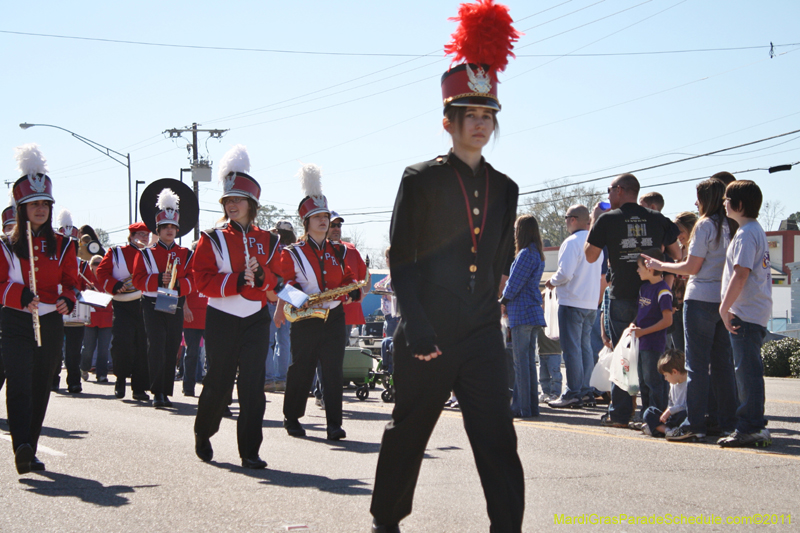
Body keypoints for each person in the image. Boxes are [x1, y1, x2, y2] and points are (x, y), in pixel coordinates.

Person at [371, 3, 524, 530]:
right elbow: (402, 257)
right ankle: (386, 519)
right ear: (448, 121)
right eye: (471, 116)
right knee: (409, 430)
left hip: (481, 331)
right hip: (428, 330)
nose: (481, 125)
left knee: (498, 437)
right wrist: (415, 324)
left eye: (488, 116)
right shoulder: (420, 179)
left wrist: (489, 312)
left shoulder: (506, 188)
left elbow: (500, 255)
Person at [192, 145, 284, 469]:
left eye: (238, 200)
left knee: (252, 386)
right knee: (218, 383)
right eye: (228, 200)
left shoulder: (270, 240)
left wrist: (262, 275)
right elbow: (200, 279)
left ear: (252, 204)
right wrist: (236, 281)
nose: (233, 205)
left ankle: (250, 450)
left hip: (256, 318)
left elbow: (278, 279)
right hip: (222, 317)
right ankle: (204, 432)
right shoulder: (211, 238)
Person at [0, 144, 78, 474]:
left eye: (45, 204)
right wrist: (17, 294)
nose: (40, 209)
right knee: (19, 382)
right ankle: (21, 446)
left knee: (41, 384)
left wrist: (69, 298)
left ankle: (29, 445)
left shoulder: (63, 245)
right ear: (22, 208)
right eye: (33, 204)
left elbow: (72, 281)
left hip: (49, 320)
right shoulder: (5, 246)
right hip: (16, 319)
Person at [643, 179, 738, 443]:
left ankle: (695, 423)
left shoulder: (704, 225)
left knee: (695, 365)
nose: (695, 203)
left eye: (698, 198)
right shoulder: (730, 226)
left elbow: (691, 267)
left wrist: (661, 264)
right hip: (723, 299)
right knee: (721, 366)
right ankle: (726, 421)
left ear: (705, 199)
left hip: (699, 301)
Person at [584, 172, 681, 428]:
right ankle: (653, 414)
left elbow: (590, 255)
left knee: (622, 357)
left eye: (609, 189)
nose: (607, 195)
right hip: (652, 296)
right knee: (651, 357)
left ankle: (620, 415)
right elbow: (677, 254)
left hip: (623, 296)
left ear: (619, 190)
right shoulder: (658, 219)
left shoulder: (607, 220)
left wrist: (595, 221)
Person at [275, 164, 361, 441]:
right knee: (302, 366)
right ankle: (292, 417)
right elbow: (280, 285)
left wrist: (352, 291)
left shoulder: (338, 250)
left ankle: (334, 424)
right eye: (317, 217)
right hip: (307, 316)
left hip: (334, 316)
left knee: (333, 369)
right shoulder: (293, 252)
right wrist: (302, 301)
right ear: (306, 222)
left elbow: (347, 277)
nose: (324, 221)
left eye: (326, 216)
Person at [717, 180, 772, 448]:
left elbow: (740, 274)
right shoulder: (752, 230)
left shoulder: (746, 233)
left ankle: (751, 426)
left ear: (739, 204)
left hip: (745, 313)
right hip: (753, 311)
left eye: (727, 199)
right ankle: (752, 424)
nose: (724, 203)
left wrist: (724, 307)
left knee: (746, 372)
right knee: (748, 370)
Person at [132, 188, 193, 408]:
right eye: (165, 227)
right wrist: (159, 279)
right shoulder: (146, 253)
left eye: (173, 227)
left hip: (174, 302)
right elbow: (138, 280)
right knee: (156, 345)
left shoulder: (186, 253)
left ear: (177, 229)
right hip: (152, 301)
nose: (169, 230)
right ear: (158, 229)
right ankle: (156, 390)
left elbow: (193, 280)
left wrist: (176, 282)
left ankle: (166, 390)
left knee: (171, 346)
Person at [545, 205, 601, 409]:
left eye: (567, 217)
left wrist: (552, 281)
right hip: (590, 302)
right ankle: (585, 391)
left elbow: (565, 274)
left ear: (574, 219)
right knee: (585, 348)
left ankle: (573, 392)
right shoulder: (596, 242)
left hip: (572, 301)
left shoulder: (571, 242)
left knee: (572, 350)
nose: (566, 221)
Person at [96, 222, 151, 401]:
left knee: (143, 346)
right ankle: (120, 380)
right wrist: (114, 284)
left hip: (144, 304)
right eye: (140, 234)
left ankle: (139, 388)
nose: (144, 238)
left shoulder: (150, 253)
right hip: (123, 305)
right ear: (131, 236)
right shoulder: (116, 252)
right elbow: (101, 272)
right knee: (122, 345)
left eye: (146, 235)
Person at [501, 215, 546, 418]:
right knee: (527, 364)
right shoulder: (536, 252)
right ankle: (530, 407)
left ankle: (521, 407)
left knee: (521, 363)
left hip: (522, 313)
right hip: (532, 312)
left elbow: (513, 284)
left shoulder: (525, 254)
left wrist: (502, 301)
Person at [630, 250, 673, 417]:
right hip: (641, 343)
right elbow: (642, 313)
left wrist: (644, 332)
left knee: (654, 382)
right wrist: (633, 324)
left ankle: (656, 416)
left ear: (649, 267)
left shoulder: (663, 290)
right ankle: (646, 415)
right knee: (643, 382)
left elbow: (667, 320)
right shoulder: (644, 288)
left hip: (654, 344)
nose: (637, 270)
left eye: (639, 267)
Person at [54, 208, 87, 394]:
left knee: (74, 352)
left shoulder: (83, 265)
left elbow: (89, 287)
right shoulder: (53, 262)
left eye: (73, 244)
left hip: (75, 313)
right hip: (55, 309)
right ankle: (52, 379)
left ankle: (74, 381)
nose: (70, 247)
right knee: (55, 350)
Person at [263, 220, 295, 392]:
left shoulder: (271, 249)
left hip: (271, 296)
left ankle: (268, 379)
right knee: (284, 340)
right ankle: (281, 378)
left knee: (268, 341)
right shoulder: (294, 250)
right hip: (289, 297)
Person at [330, 211, 369, 342]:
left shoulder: (351, 249)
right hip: (322, 310)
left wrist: (360, 296)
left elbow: (366, 278)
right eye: (332, 225)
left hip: (346, 312)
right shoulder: (316, 249)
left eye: (338, 225)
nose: (336, 228)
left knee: (340, 354)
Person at [80, 255, 113, 383]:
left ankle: (101, 374)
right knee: (88, 348)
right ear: (91, 265)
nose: (98, 265)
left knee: (104, 349)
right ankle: (84, 367)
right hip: (90, 318)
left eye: (101, 262)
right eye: (96, 263)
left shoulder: (107, 278)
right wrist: (85, 290)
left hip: (106, 317)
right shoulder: (86, 279)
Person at [642, 349, 688, 438]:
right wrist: (667, 412)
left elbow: (687, 406)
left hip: (682, 415)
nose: (665, 379)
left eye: (666, 375)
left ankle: (658, 429)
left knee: (685, 415)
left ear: (674, 372)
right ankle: (668, 430)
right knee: (649, 412)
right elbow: (670, 403)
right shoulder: (673, 384)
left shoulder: (689, 384)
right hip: (673, 417)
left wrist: (670, 411)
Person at [182, 241, 207, 397]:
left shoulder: (213, 266)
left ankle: (212, 388)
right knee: (191, 353)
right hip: (191, 315)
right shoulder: (188, 267)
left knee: (212, 355)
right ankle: (188, 387)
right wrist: (184, 308)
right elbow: (182, 287)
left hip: (210, 316)